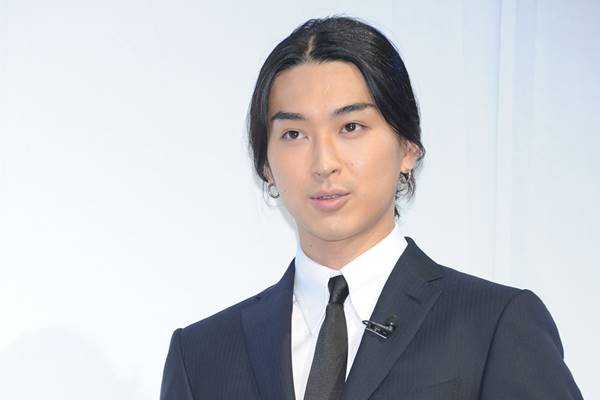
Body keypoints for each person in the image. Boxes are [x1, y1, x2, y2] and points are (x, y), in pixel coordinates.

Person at [160, 15, 583, 400]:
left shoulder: (493, 326)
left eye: (351, 127)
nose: (324, 163)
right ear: (266, 165)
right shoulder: (200, 356)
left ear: (408, 147)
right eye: (293, 134)